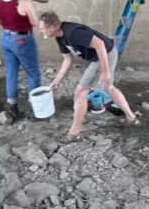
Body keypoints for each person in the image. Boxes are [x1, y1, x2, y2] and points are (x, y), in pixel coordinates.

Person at [38, 11, 140, 142]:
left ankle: (74, 133)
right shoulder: (60, 37)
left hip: (105, 54)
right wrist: (56, 81)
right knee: (109, 88)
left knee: (80, 92)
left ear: (51, 27)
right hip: (103, 55)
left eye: (42, 29)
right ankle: (131, 118)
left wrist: (105, 71)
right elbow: (67, 60)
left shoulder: (74, 32)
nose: (41, 32)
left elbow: (100, 45)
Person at [0, 0, 41, 121]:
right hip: (22, 39)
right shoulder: (24, 3)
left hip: (5, 38)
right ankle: (36, 109)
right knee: (33, 73)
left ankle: (13, 107)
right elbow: (34, 22)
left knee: (11, 73)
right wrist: (28, 6)